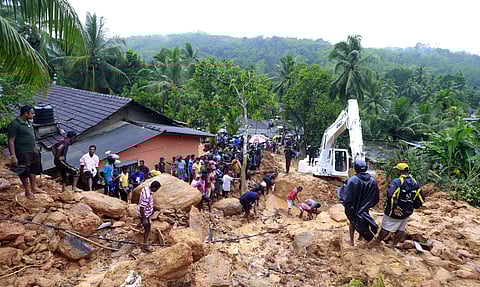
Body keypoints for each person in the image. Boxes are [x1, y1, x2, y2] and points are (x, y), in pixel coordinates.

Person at [370, 163, 425, 248]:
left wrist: (395, 207)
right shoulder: (415, 182)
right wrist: (412, 206)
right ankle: (393, 245)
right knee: (401, 228)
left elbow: (390, 194)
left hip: (395, 210)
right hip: (407, 211)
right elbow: (421, 198)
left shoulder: (398, 182)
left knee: (386, 227)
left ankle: (377, 242)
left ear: (400, 171)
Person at [7, 105, 44, 199]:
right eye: (32, 113)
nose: (34, 115)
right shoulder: (14, 125)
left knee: (33, 170)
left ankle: (34, 187)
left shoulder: (29, 122)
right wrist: (13, 156)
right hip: (23, 152)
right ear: (26, 113)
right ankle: (27, 191)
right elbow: (11, 140)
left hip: (33, 151)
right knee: (24, 172)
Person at [343, 159, 380, 246]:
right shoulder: (372, 181)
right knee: (363, 220)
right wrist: (367, 205)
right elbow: (375, 196)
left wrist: (347, 205)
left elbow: (346, 194)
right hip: (364, 207)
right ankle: (361, 237)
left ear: (356, 168)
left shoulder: (352, 180)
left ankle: (351, 241)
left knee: (353, 221)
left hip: (353, 206)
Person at [137, 180, 161, 252]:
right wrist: (144, 219)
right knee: (148, 227)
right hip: (144, 213)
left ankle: (141, 223)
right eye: (157, 189)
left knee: (147, 222)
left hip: (147, 211)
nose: (157, 191)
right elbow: (142, 207)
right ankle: (145, 243)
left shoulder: (145, 188)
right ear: (154, 188)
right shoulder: (147, 196)